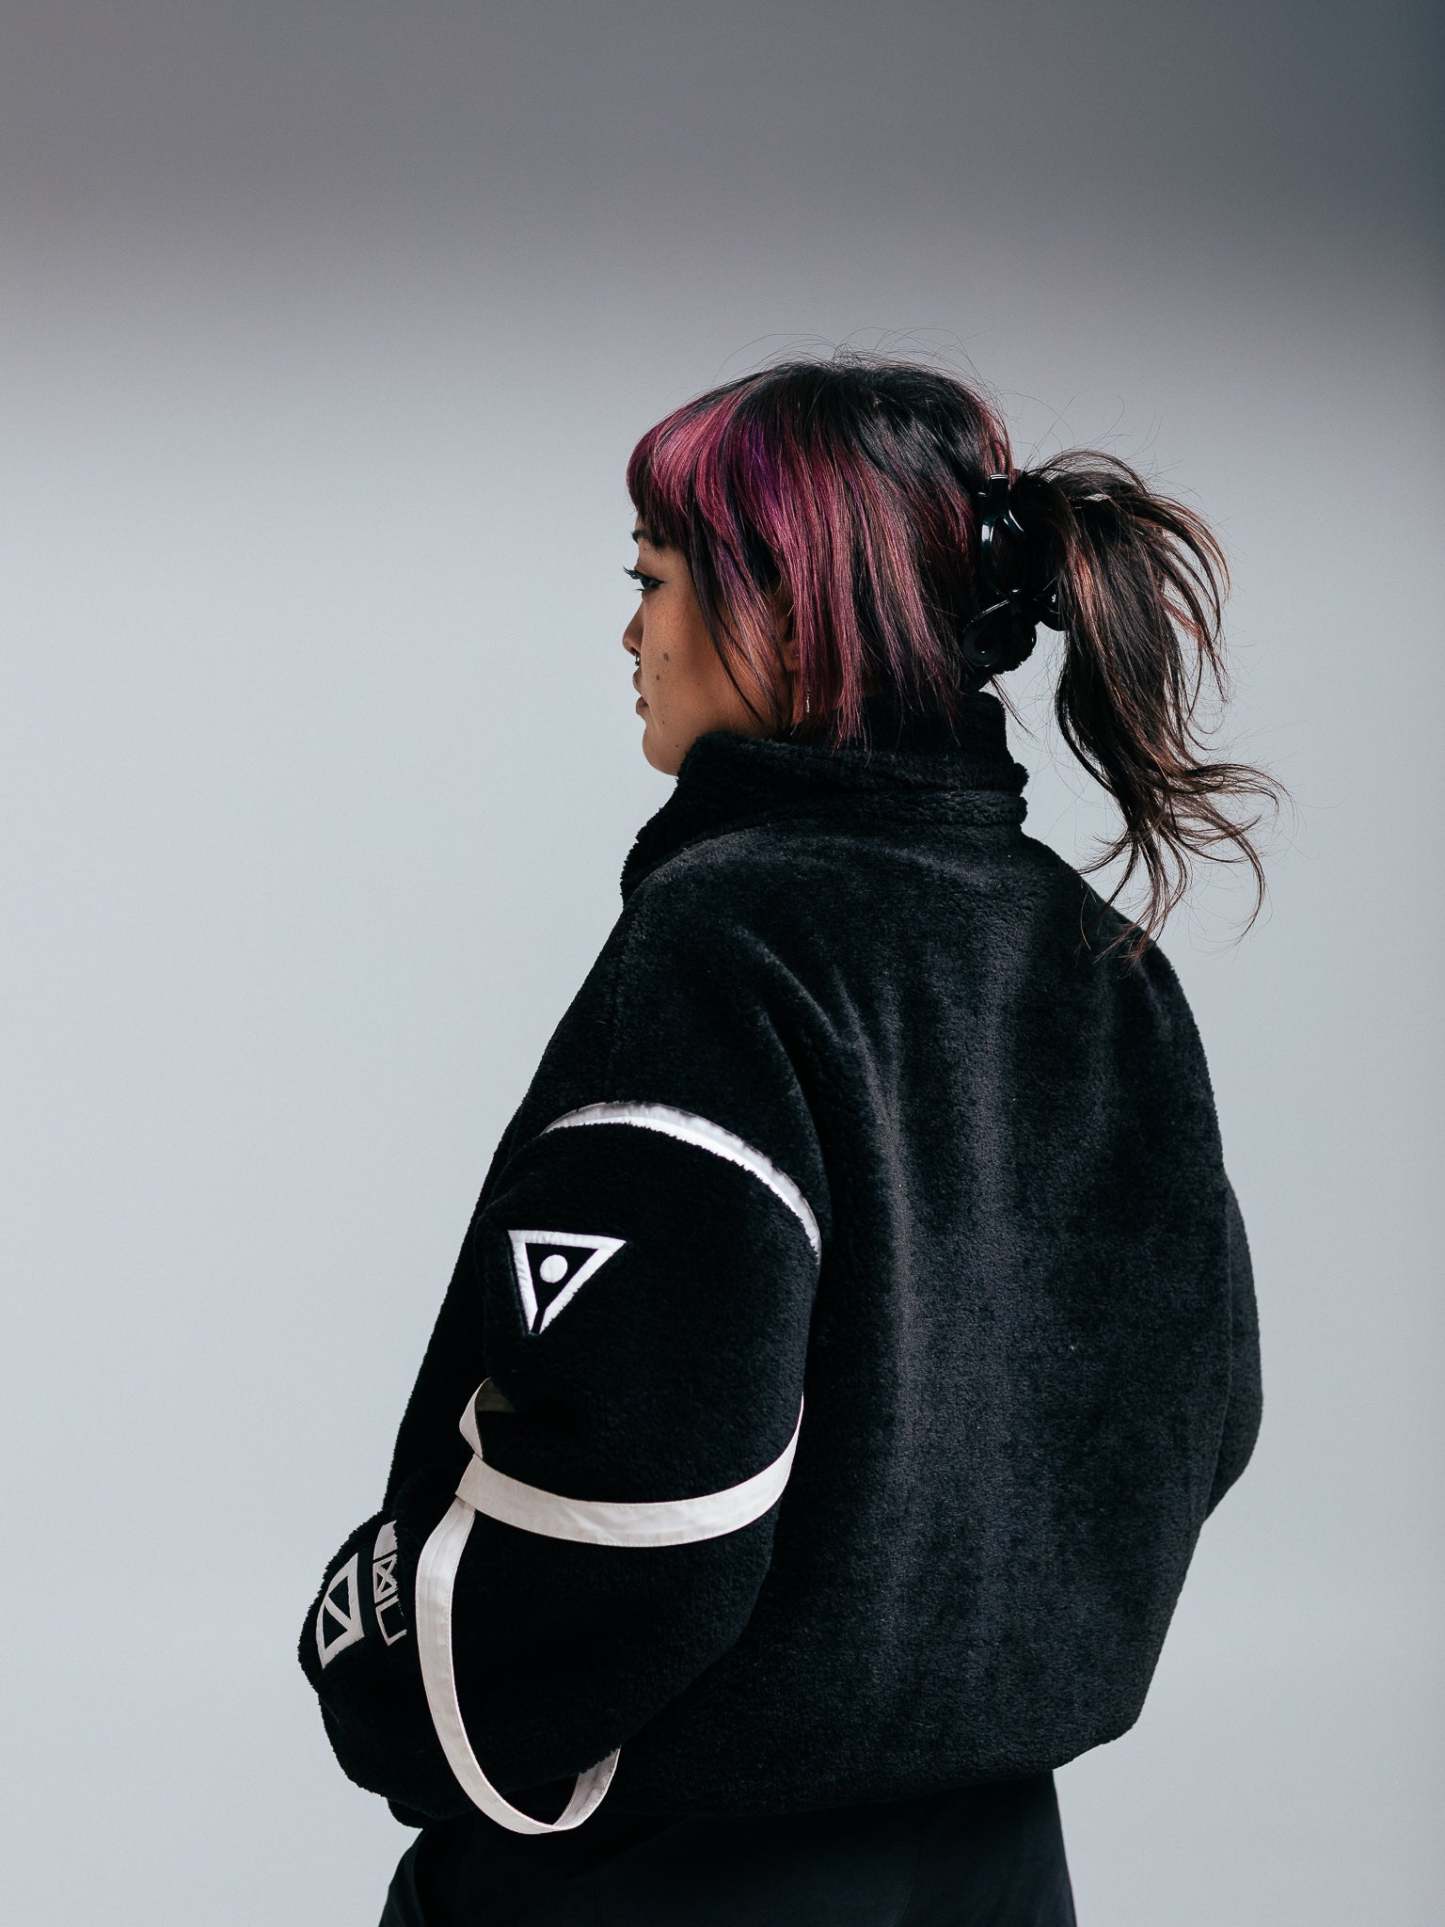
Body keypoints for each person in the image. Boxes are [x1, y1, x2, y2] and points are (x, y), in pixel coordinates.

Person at [295, 353, 1277, 1924]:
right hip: (996, 1867)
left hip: (672, 1880)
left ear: (794, 613)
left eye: (653, 578)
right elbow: (1199, 1417)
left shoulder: (731, 944)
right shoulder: (1100, 961)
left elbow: (638, 1493)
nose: (631, 634)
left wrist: (383, 1663)